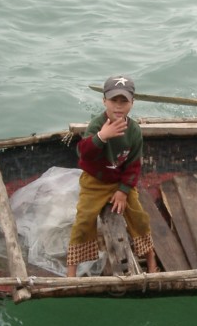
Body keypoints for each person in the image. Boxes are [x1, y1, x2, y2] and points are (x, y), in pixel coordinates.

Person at [66, 76, 157, 276]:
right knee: (83, 220)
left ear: (132, 103)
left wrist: (124, 191)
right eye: (113, 101)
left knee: (140, 218)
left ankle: (150, 258)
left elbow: (133, 165)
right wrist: (102, 137)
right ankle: (71, 269)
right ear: (104, 101)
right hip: (94, 182)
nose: (118, 106)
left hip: (119, 181)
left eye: (123, 101)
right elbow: (83, 153)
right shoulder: (97, 125)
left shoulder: (133, 131)